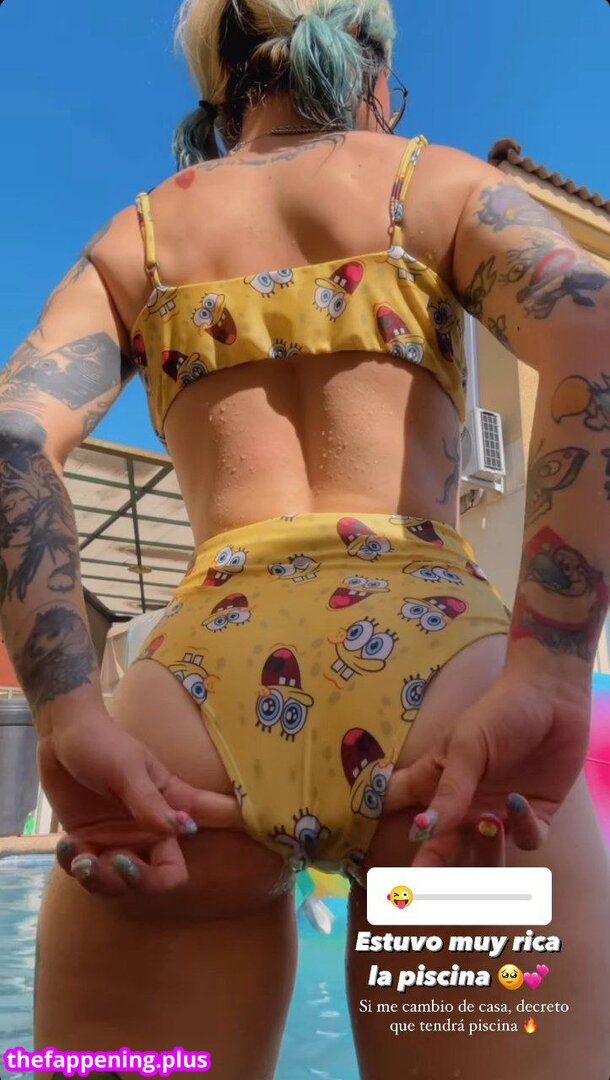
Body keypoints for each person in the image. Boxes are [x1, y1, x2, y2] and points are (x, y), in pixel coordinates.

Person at [1, 0, 609, 1076]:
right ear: (370, 70)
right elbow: (595, 335)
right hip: (449, 706)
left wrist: (66, 712)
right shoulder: (433, 184)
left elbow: (13, 444)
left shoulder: (136, 241)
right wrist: (553, 669)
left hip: (184, 735)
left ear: (221, 84)